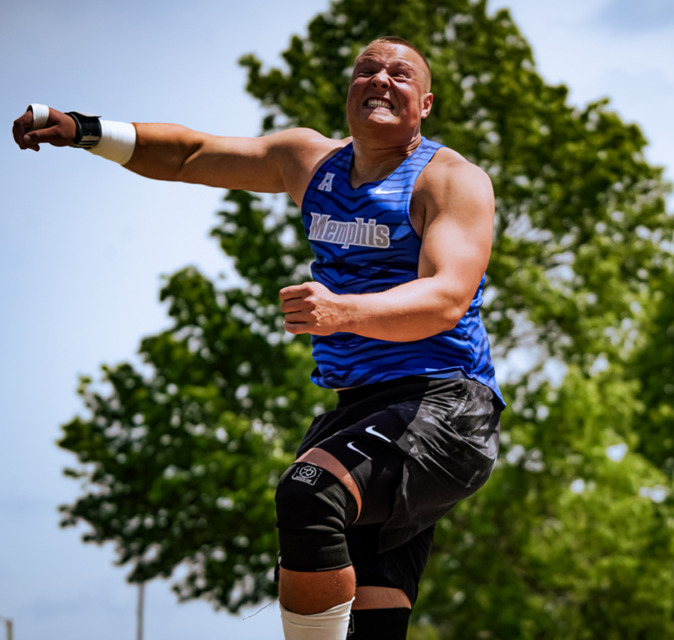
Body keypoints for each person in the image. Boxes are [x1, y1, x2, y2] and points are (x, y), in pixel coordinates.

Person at [12, 36, 504, 640]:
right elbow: (191, 155)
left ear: (424, 105)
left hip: (445, 408)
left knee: (309, 493)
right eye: (366, 69)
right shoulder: (308, 161)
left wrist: (342, 311)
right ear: (348, 90)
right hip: (359, 409)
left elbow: (446, 298)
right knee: (372, 614)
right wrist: (87, 130)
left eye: (399, 74)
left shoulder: (450, 181)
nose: (380, 79)